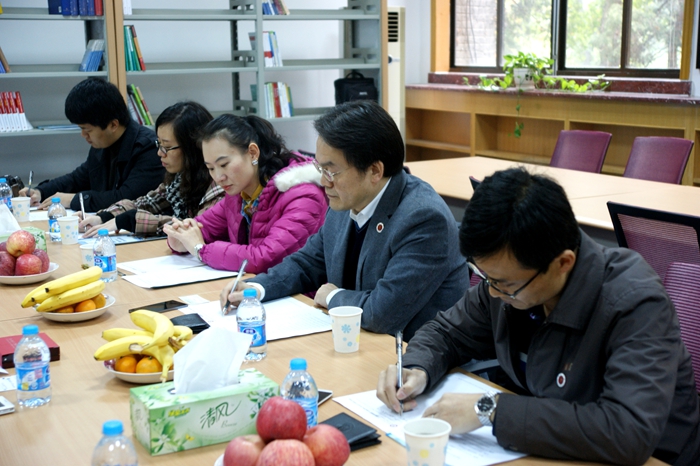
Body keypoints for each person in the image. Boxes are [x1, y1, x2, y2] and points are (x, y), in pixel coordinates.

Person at [376, 167, 700, 465]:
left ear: (563, 263)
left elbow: (628, 431)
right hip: (553, 449)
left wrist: (489, 409)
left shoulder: (635, 302)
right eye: (486, 278)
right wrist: (417, 367)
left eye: (504, 284)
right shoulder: (509, 283)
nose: (492, 293)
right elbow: (447, 332)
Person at [222, 100, 468, 340]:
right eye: (321, 169)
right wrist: (257, 288)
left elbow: (382, 313)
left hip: (410, 355)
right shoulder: (346, 199)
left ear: (374, 171)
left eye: (331, 171)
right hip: (356, 341)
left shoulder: (423, 219)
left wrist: (332, 297)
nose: (324, 182)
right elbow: (308, 263)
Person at [163, 114, 327, 273]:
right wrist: (179, 238)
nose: (218, 177)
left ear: (253, 153)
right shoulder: (239, 194)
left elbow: (266, 258)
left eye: (224, 164)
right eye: (210, 168)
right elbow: (201, 228)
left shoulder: (303, 195)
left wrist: (200, 249)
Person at [79, 101, 224, 238]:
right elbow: (147, 203)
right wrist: (103, 217)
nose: (160, 153)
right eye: (159, 144)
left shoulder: (219, 184)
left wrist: (131, 220)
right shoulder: (180, 177)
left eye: (167, 147)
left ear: (193, 148)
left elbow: (197, 228)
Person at [18, 78, 164, 211]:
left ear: (113, 125)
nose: (83, 135)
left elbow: (126, 198)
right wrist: (40, 192)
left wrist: (75, 200)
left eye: (87, 130)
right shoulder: (102, 144)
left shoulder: (149, 148)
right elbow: (77, 178)